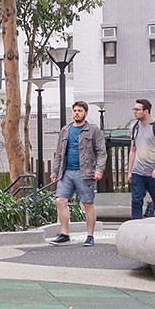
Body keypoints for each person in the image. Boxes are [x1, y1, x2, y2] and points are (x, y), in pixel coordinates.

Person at [47, 101, 107, 246]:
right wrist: (55, 171)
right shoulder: (66, 130)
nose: (77, 113)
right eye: (75, 110)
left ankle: (90, 236)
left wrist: (99, 170)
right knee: (60, 201)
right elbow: (59, 153)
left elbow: (101, 152)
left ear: (85, 113)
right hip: (66, 172)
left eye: (80, 110)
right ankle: (64, 234)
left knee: (87, 203)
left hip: (85, 173)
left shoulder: (93, 130)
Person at [126, 98, 155, 220]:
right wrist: (129, 171)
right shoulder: (134, 127)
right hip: (138, 171)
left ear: (146, 111)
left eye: (137, 109)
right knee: (136, 201)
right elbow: (133, 150)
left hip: (154, 172)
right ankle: (136, 226)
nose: (134, 112)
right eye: (134, 109)